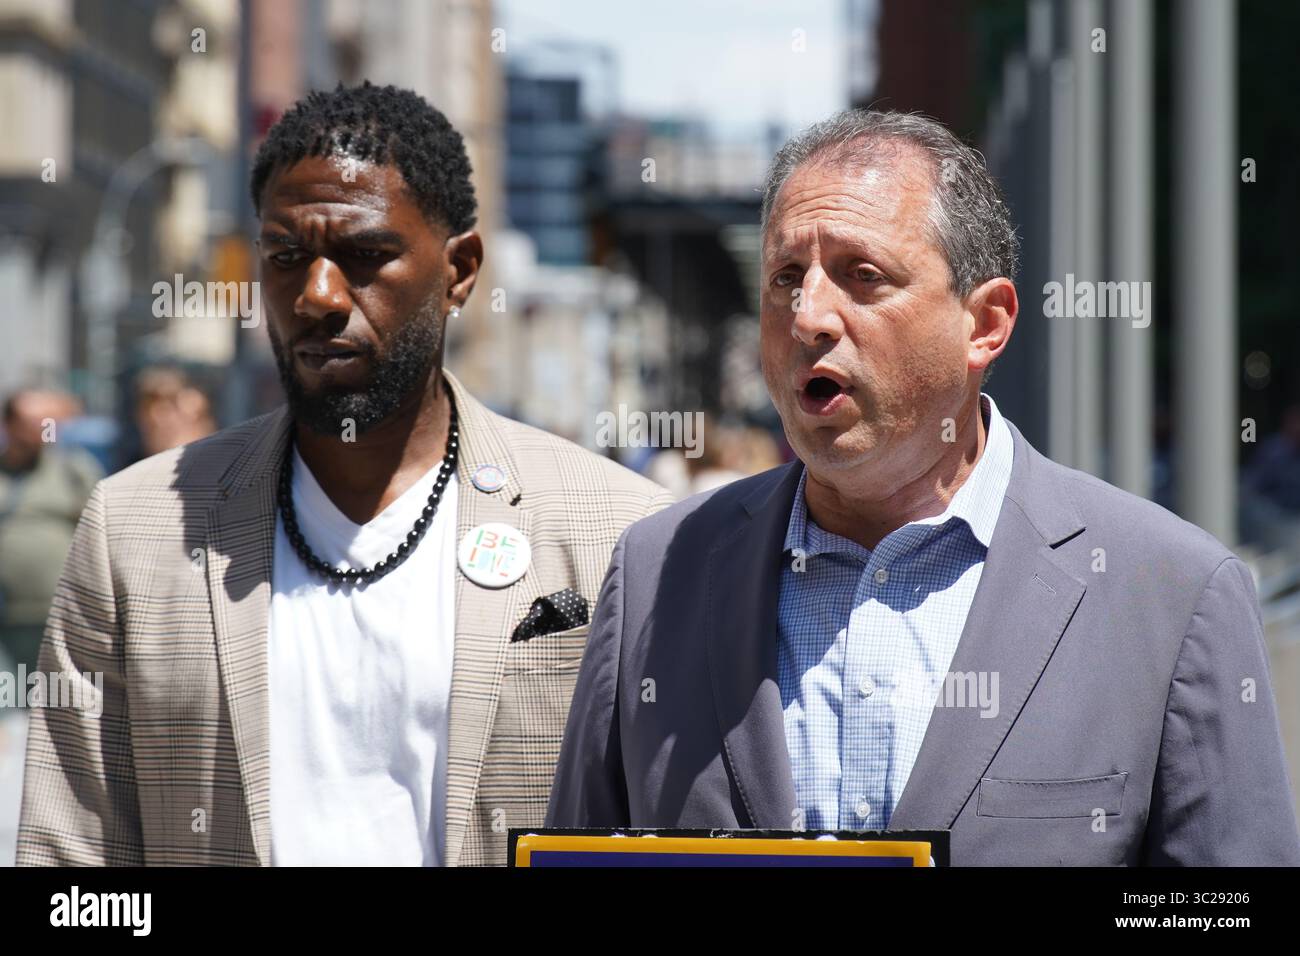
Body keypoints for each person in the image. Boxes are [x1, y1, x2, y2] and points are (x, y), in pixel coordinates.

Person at [547, 109, 1300, 865]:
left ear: (985, 324)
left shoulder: (1171, 593)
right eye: (785, 277)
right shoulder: (656, 573)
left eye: (861, 276)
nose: (808, 315)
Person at [17, 82, 670, 866]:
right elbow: (72, 876)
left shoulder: (618, 532)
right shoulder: (136, 531)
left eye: (364, 256)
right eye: (287, 256)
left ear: (459, 270)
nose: (318, 296)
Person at [0, 389, 102, 672]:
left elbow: (98, 530)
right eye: (30, 422)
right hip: (7, 615)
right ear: (9, 424)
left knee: (54, 697)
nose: (40, 430)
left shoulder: (71, 470)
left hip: (59, 610)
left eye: (46, 423)